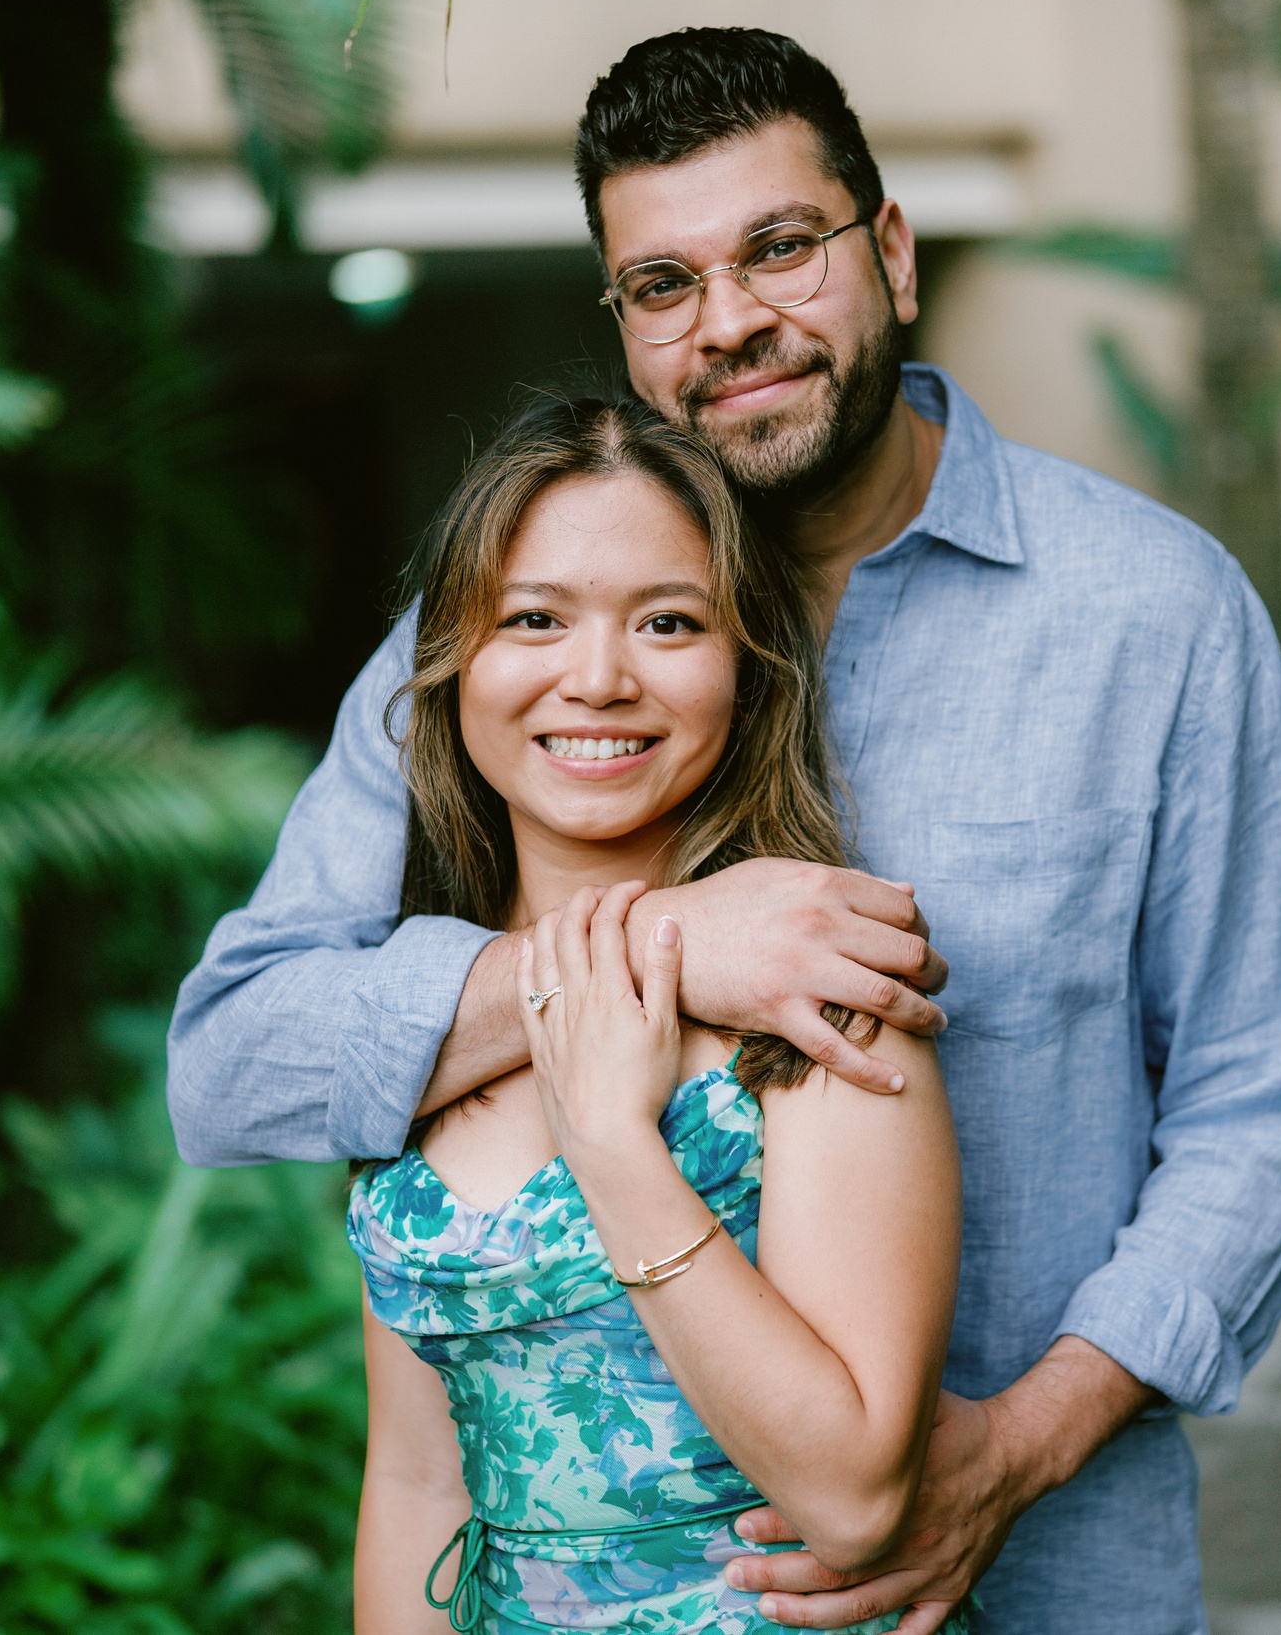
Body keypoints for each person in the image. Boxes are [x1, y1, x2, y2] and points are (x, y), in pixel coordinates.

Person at [171, 27, 1281, 1635]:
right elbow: (237, 1054)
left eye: (779, 248)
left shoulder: (1152, 616)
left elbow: (1258, 1107)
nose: (729, 322)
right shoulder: (514, 640)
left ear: (894, 252)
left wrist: (1014, 1448)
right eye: (661, 284)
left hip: (1061, 1559)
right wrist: (664, 945)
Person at [348, 395, 965, 1635]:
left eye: (669, 623)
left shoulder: (826, 1007)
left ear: (745, 670)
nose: (598, 680)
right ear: (454, 663)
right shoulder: (423, 1011)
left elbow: (853, 1497)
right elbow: (416, 1483)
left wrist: (614, 1145)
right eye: (533, 619)